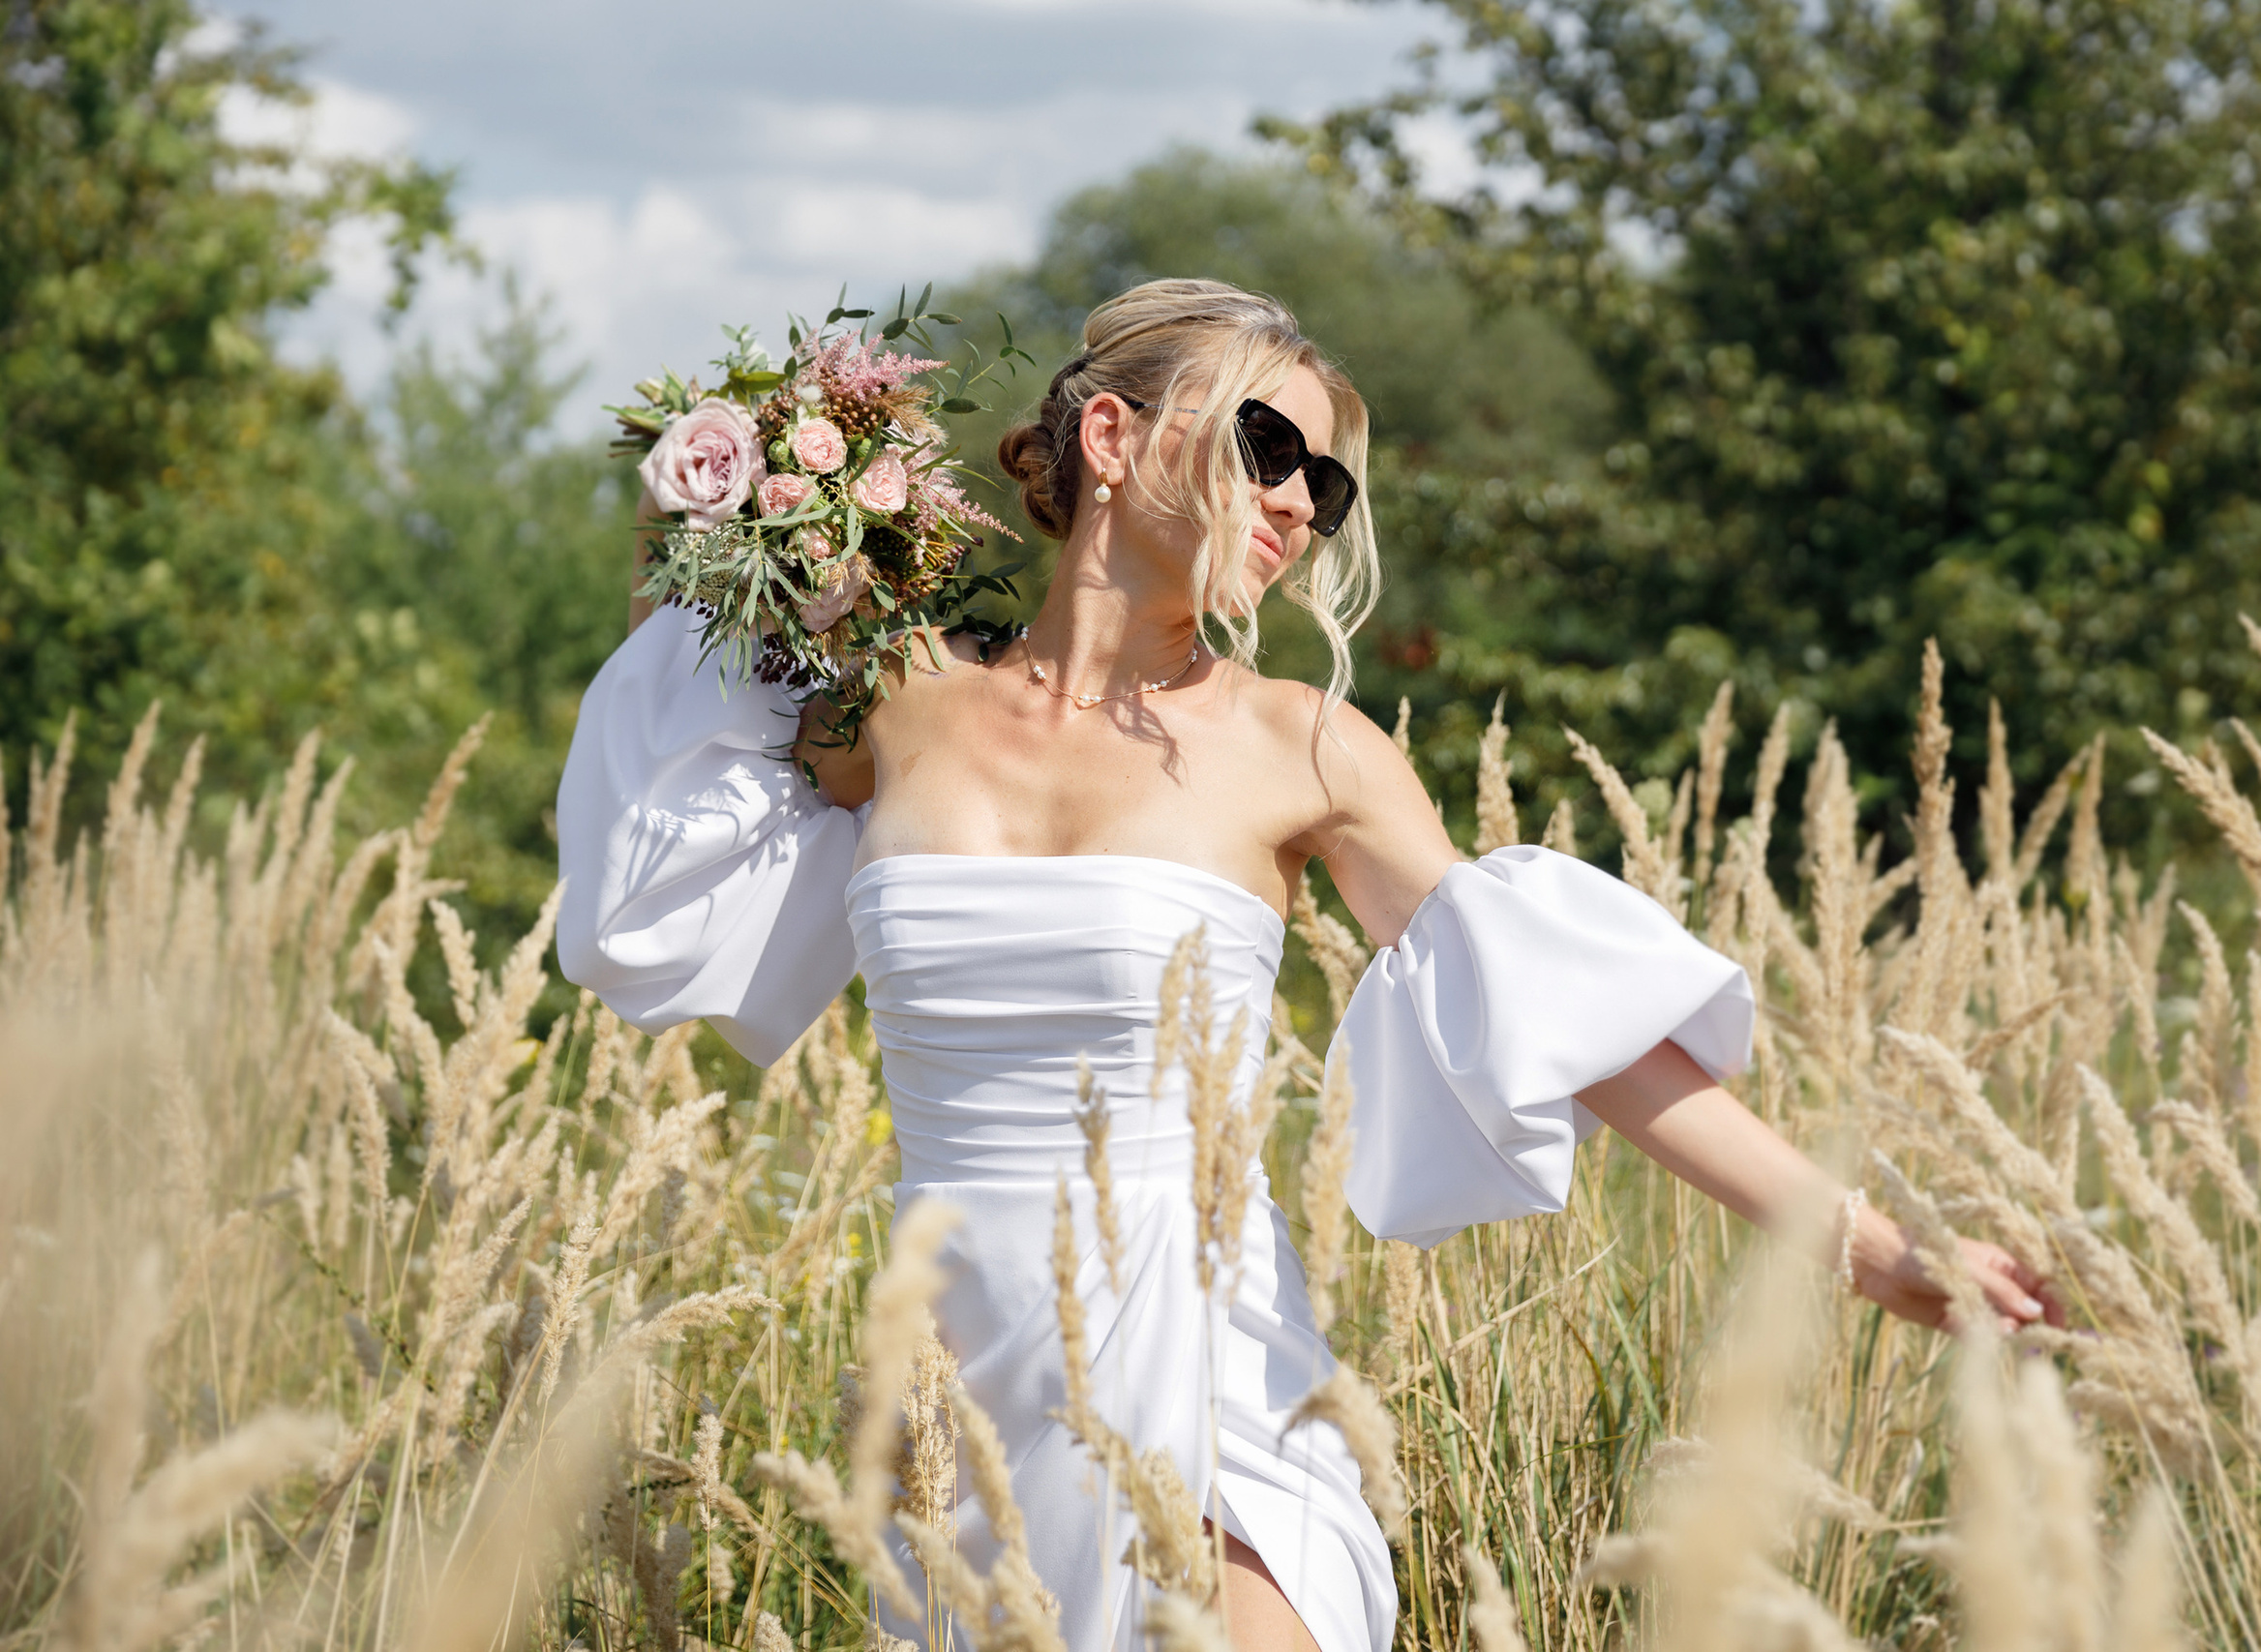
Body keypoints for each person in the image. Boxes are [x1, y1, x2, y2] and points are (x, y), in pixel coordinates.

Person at [557, 278, 2058, 1652]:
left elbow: (1563, 1023)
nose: (1297, 506)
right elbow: (654, 862)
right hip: (954, 1384)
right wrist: (725, 506)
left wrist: (1861, 1245)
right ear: (1108, 432)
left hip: (1209, 1357)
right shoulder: (892, 702)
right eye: (1270, 449)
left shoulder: (1306, 746)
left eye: (1325, 485)